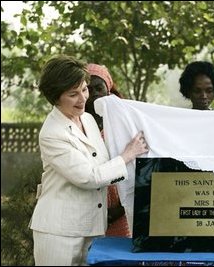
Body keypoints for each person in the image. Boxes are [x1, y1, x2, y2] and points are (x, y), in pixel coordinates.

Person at [30, 55, 148, 265]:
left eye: (84, 89)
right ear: (55, 97)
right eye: (73, 94)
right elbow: (89, 177)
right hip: (58, 233)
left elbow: (103, 165)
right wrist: (128, 154)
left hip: (92, 228)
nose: (83, 98)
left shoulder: (88, 119)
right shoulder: (52, 133)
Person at [85, 63, 131, 237]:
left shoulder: (121, 125)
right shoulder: (77, 126)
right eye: (89, 89)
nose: (95, 93)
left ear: (108, 91)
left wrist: (119, 209)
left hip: (120, 212)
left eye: (99, 88)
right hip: (88, 213)